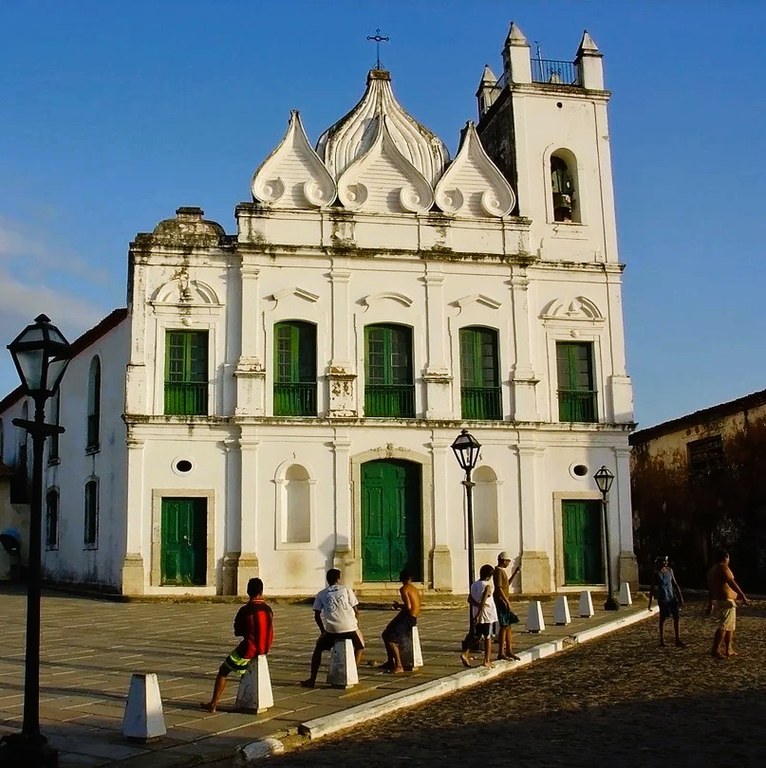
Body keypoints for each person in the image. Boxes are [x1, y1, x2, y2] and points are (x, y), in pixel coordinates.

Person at [202, 577, 273, 712]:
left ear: (248, 591)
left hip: (249, 648)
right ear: (261, 591)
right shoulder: (268, 609)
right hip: (265, 647)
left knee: (223, 670)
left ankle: (213, 703)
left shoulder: (246, 610)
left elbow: (238, 631)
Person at [301, 568, 364, 687]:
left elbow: (316, 614)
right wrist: (356, 625)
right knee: (360, 647)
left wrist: (322, 631)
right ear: (338, 579)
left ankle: (312, 679)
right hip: (350, 628)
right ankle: (353, 672)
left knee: (318, 649)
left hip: (332, 630)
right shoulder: (346, 589)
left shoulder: (321, 594)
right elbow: (357, 611)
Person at [706, 548, 750, 659]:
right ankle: (715, 649)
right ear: (725, 558)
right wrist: (743, 596)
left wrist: (710, 603)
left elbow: (711, 589)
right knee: (724, 625)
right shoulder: (723, 568)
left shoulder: (712, 570)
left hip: (720, 599)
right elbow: (733, 583)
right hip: (726, 601)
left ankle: (728, 649)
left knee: (730, 626)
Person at [381, 569, 421, 673]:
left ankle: (398, 665)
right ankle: (390, 661)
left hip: (408, 616)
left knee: (391, 639)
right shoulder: (415, 589)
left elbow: (408, 606)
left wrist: (398, 605)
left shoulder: (404, 588)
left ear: (401, 579)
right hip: (411, 616)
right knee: (386, 633)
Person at [460, 564, 498, 669]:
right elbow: (483, 602)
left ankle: (465, 653)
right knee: (488, 637)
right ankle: (487, 660)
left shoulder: (474, 585)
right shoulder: (487, 586)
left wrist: (476, 609)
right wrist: (479, 614)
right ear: (489, 576)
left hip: (476, 612)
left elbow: (469, 599)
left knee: (477, 635)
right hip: (486, 615)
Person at [647, 555, 685, 647]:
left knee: (676, 617)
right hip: (663, 598)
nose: (665, 563)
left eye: (666, 561)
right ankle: (661, 639)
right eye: (663, 561)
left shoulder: (670, 571)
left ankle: (677, 639)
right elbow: (652, 588)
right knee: (662, 619)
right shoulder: (656, 573)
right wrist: (650, 603)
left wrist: (680, 598)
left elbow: (675, 584)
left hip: (671, 597)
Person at [493, 551, 521, 661]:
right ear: (503, 560)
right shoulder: (498, 572)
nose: (508, 563)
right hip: (501, 601)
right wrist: (506, 601)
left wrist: (514, 574)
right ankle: (501, 652)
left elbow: (506, 585)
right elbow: (499, 588)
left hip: (504, 600)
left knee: (508, 626)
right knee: (504, 626)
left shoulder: (502, 572)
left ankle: (509, 650)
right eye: (508, 561)